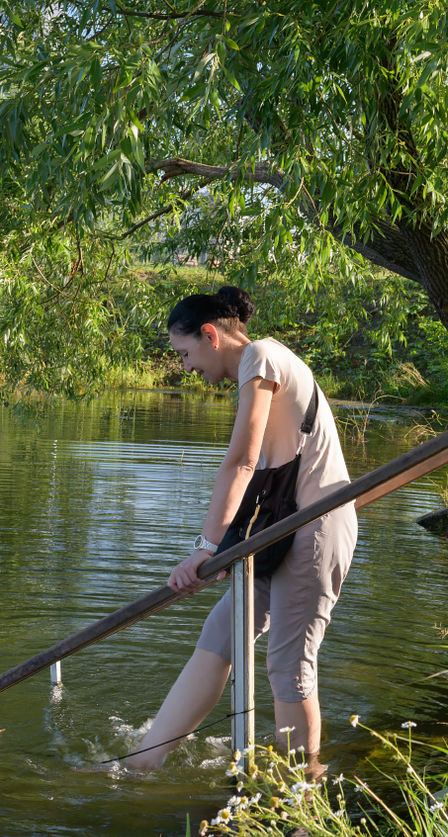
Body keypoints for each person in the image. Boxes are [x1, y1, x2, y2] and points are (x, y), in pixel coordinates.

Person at [125, 286, 357, 770]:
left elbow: (242, 461)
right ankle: (143, 762)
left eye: (185, 353)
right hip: (283, 529)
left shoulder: (260, 356)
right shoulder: (261, 362)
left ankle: (300, 795)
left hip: (315, 530)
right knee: (220, 633)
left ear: (210, 335)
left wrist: (205, 547)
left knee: (289, 665)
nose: (185, 367)